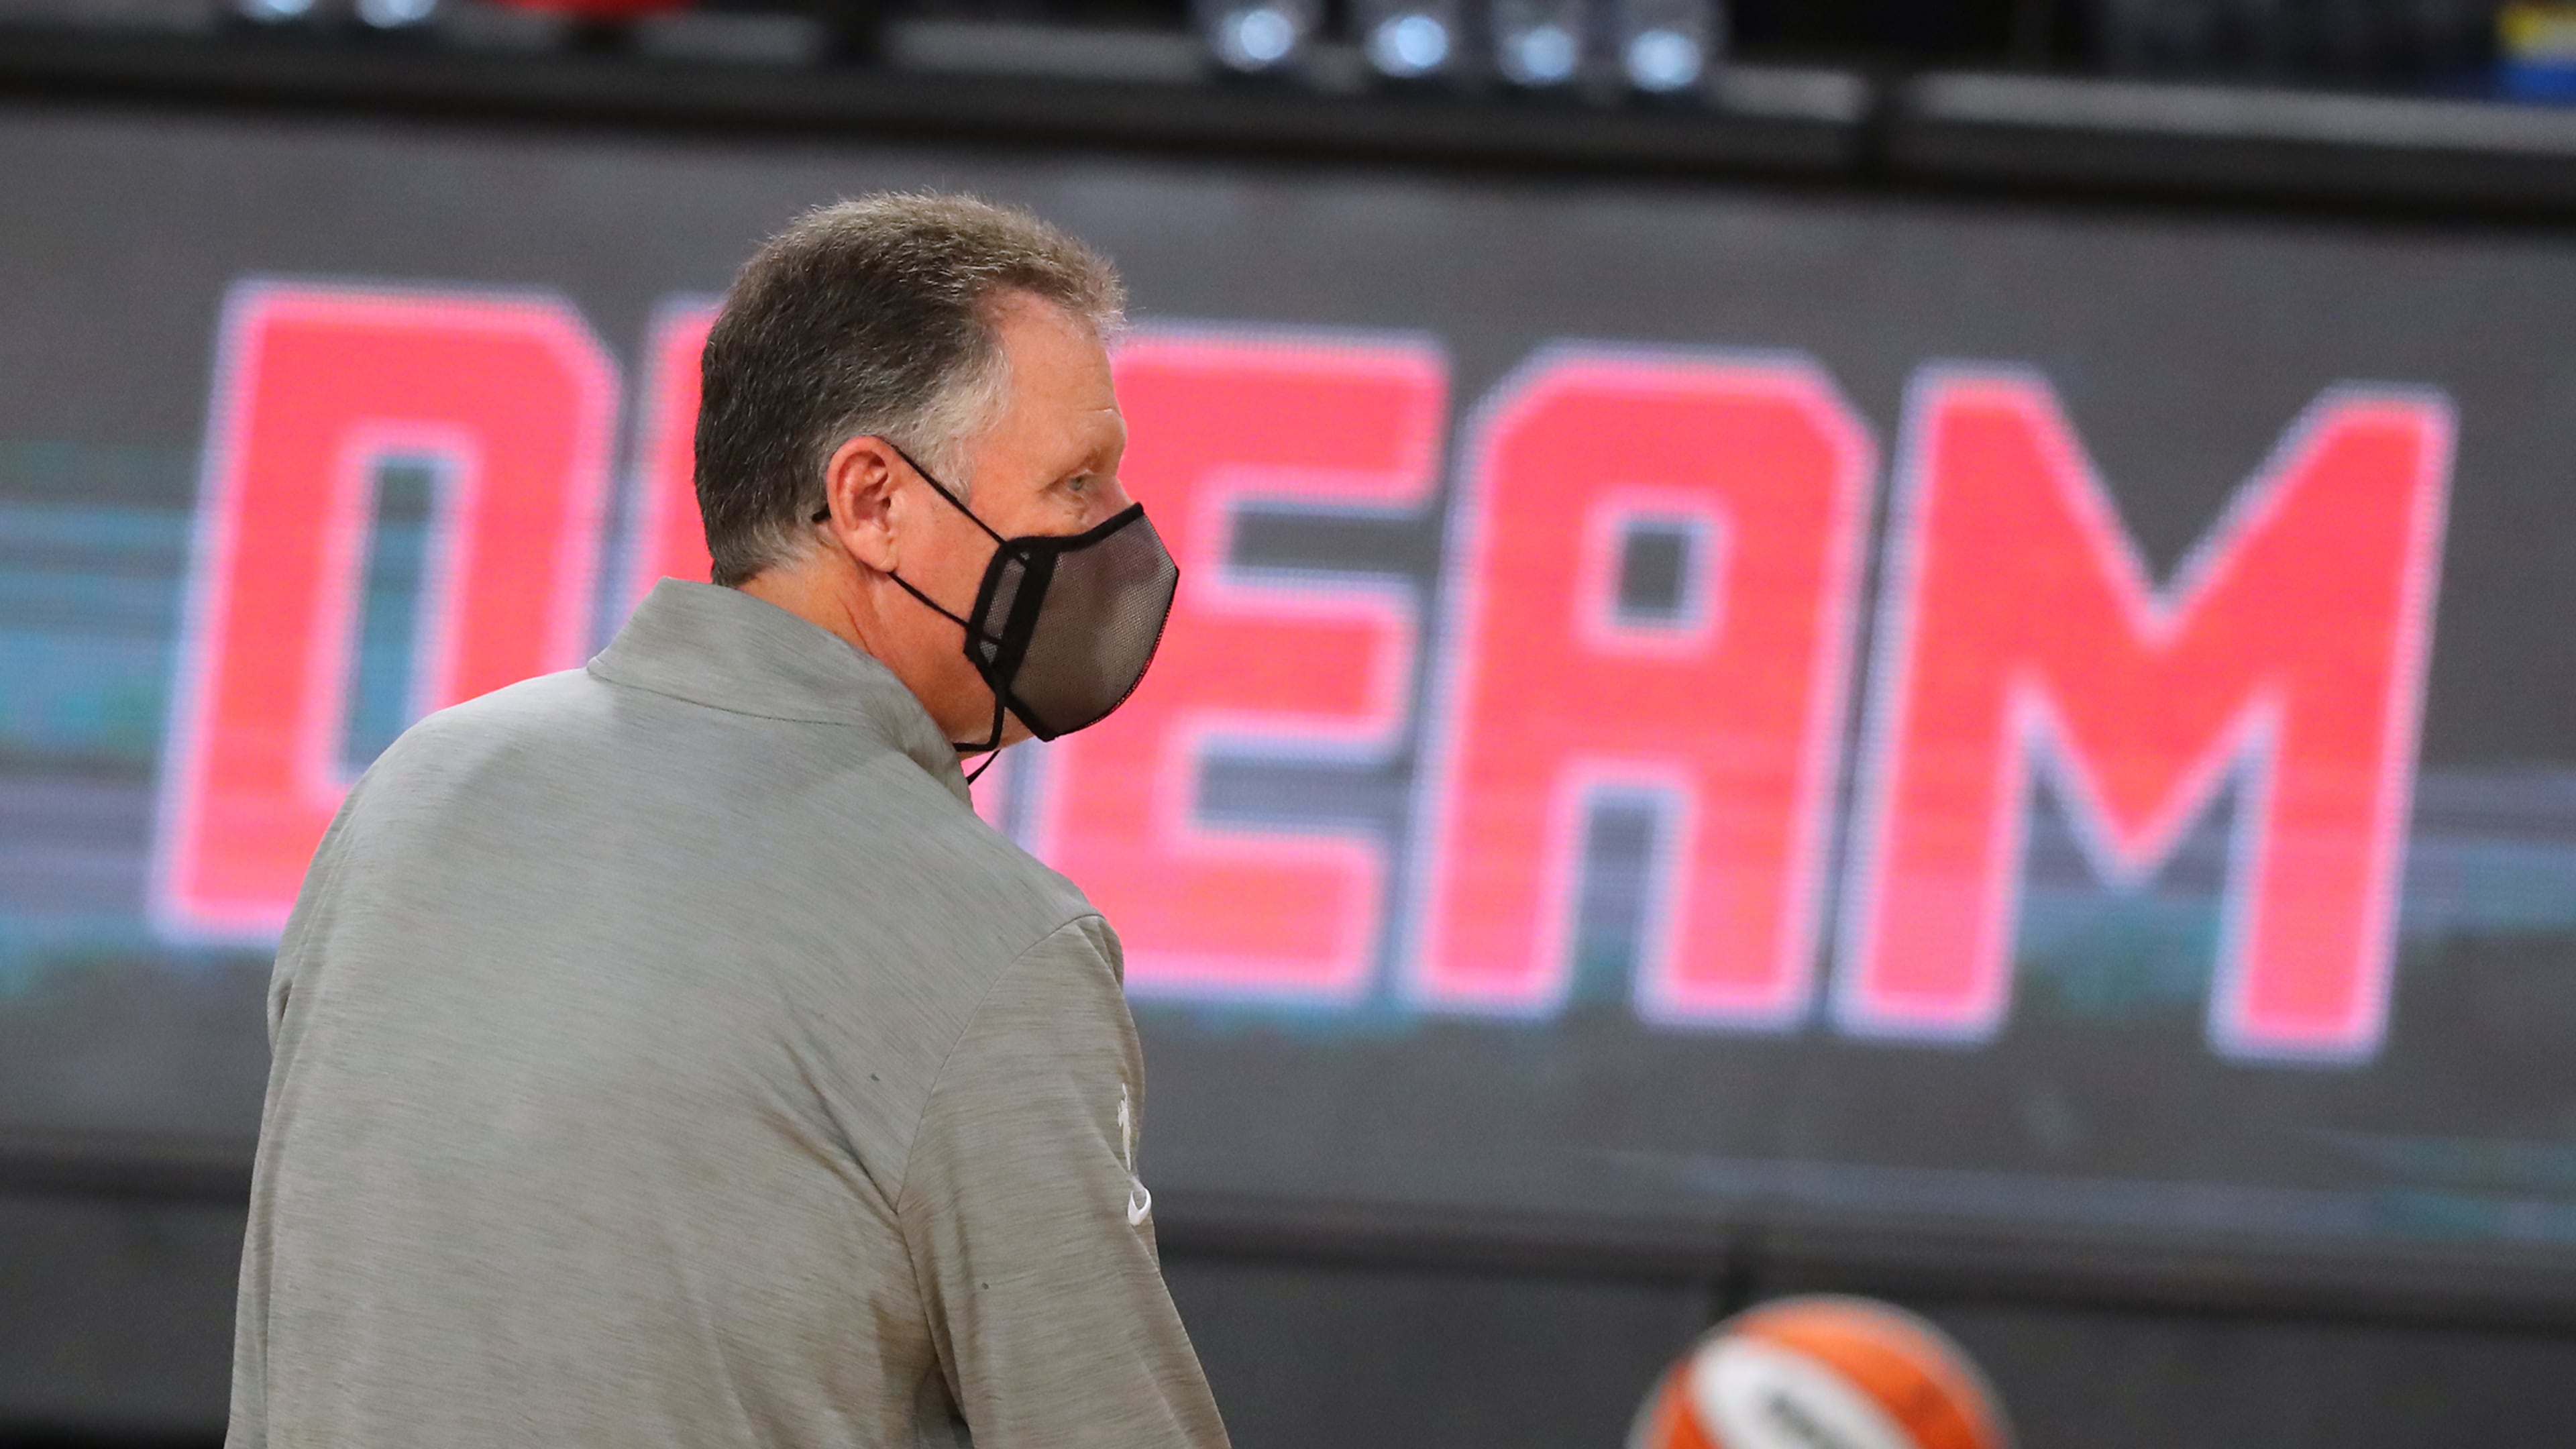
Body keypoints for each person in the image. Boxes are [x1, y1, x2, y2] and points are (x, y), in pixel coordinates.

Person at [226, 193, 1227, 1449]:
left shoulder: (416, 789)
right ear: (872, 502)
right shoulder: (991, 942)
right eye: (1076, 483)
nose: (1120, 536)